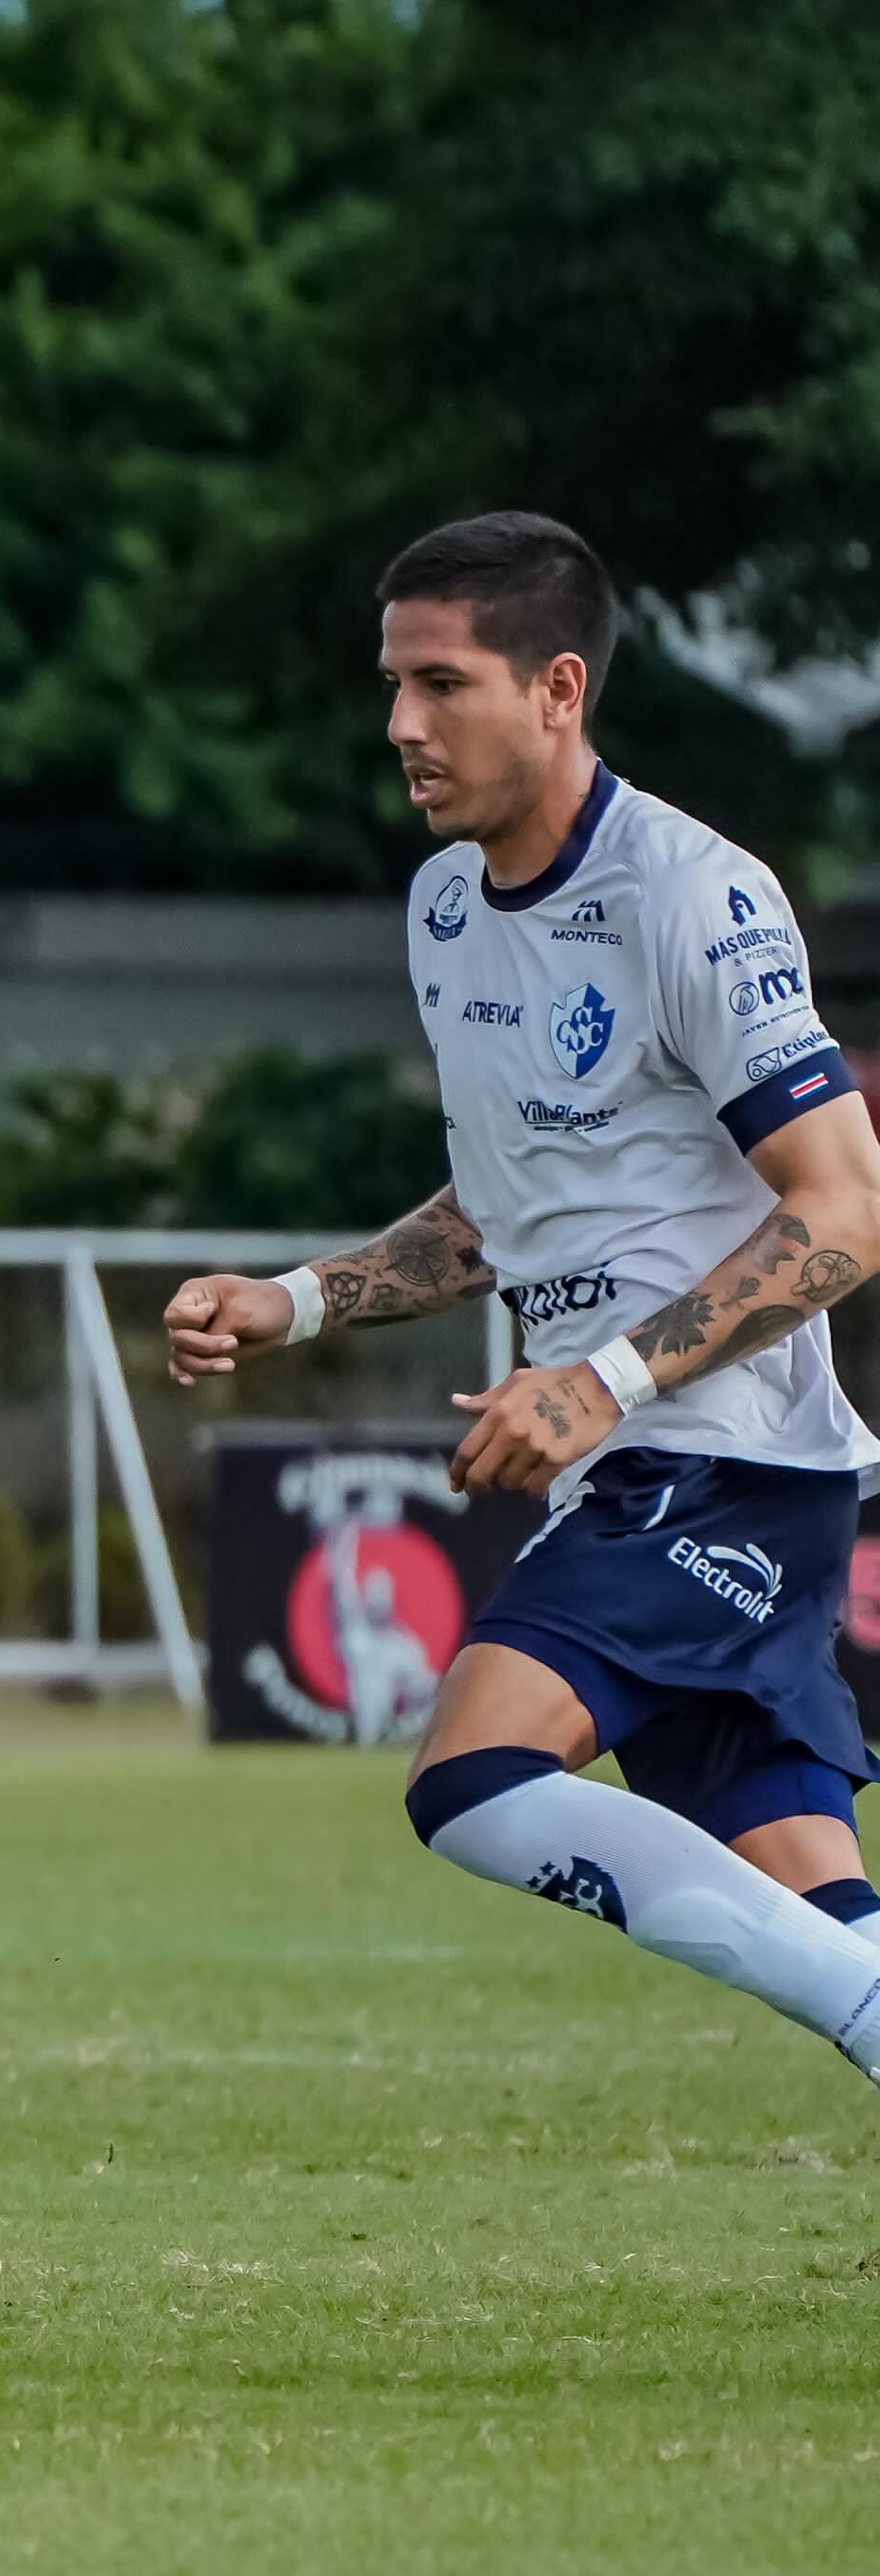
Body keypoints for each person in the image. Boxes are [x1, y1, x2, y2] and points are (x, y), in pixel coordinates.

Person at [165, 511, 880, 2084]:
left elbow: (844, 1206)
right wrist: (293, 1298)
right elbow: (501, 1209)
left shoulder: (693, 891)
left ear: (559, 689)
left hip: (723, 1462)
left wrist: (599, 1380)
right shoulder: (442, 911)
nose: (402, 724)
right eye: (394, 684)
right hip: (654, 1458)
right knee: (824, 1901)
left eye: (442, 683)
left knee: (473, 1777)